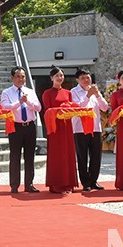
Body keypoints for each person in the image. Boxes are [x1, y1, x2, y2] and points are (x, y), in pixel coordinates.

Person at [0, 66, 41, 193]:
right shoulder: (6, 92)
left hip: (29, 126)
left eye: (23, 76)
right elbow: (5, 107)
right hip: (15, 126)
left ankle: (29, 184)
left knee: (30, 156)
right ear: (12, 78)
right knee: (15, 156)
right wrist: (19, 102)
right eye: (18, 76)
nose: (20, 79)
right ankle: (14, 185)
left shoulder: (30, 91)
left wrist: (27, 102)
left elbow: (38, 107)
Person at [41, 66, 79, 194]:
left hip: (67, 126)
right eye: (57, 76)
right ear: (51, 78)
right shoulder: (47, 93)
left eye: (61, 75)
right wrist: (60, 111)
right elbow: (47, 111)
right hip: (55, 127)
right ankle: (56, 184)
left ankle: (68, 184)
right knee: (57, 155)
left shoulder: (68, 93)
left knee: (68, 153)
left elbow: (72, 107)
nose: (60, 78)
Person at [70, 69, 108, 191]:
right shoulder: (74, 92)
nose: (86, 80)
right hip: (80, 128)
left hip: (95, 127)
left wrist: (97, 95)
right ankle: (85, 182)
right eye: (83, 78)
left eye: (88, 78)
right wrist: (88, 95)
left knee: (96, 156)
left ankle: (94, 180)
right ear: (77, 80)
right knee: (82, 156)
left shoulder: (94, 90)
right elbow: (79, 107)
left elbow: (105, 107)